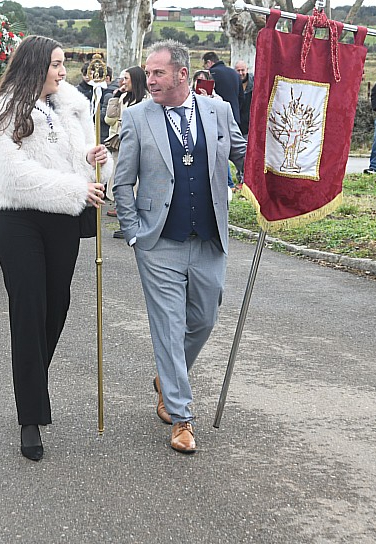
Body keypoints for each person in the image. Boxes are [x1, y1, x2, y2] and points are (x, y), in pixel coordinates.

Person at [112, 40, 246, 455]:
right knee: (168, 328)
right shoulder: (136, 117)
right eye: (147, 73)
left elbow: (245, 154)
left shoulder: (218, 111)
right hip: (158, 243)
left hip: (209, 239)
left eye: (157, 73)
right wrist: (135, 234)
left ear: (182, 74)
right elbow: (121, 182)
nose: (148, 80)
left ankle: (167, 378)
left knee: (203, 320)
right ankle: (181, 416)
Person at [0, 35, 107, 461]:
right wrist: (76, 188)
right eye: (55, 64)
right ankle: (30, 417)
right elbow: (11, 176)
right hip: (20, 220)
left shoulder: (74, 106)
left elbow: (80, 164)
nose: (62, 71)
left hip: (64, 222)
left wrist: (97, 160)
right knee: (28, 310)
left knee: (56, 309)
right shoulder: (0, 110)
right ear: (35, 66)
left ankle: (31, 381)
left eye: (62, 63)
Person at [104, 65, 147, 238]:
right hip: (119, 143)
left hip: (138, 145)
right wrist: (114, 99)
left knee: (135, 183)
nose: (123, 82)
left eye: (126, 79)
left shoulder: (146, 99)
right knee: (119, 179)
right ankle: (125, 222)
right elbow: (108, 119)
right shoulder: (123, 98)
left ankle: (135, 223)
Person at [201, 51, 243, 129]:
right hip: (235, 118)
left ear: (209, 62)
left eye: (204, 65)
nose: (204, 68)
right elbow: (241, 97)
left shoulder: (210, 73)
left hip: (218, 120)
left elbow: (205, 97)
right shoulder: (234, 73)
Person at [234, 60, 254, 138]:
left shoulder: (255, 83)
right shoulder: (232, 83)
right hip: (236, 126)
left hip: (249, 126)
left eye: (242, 70)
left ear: (247, 70)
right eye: (238, 70)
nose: (240, 73)